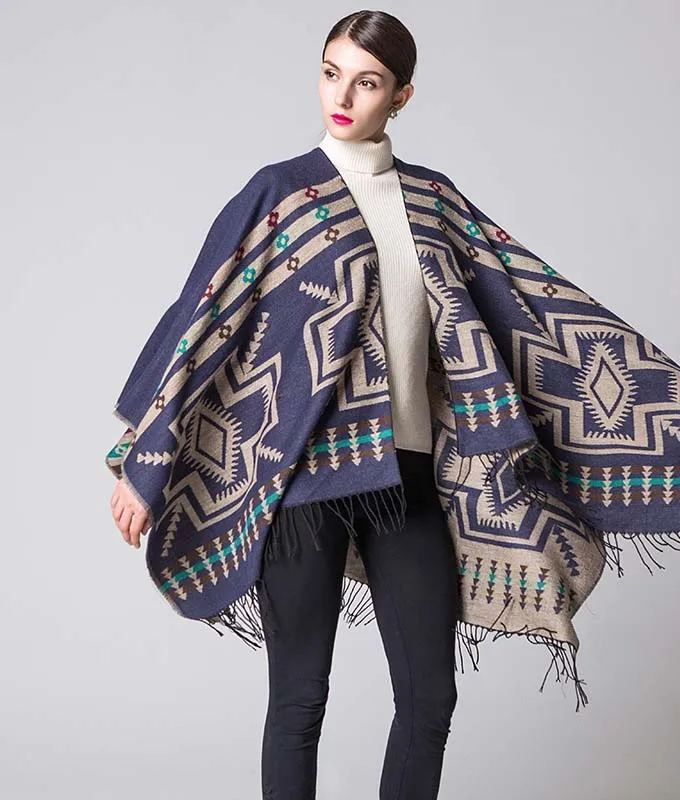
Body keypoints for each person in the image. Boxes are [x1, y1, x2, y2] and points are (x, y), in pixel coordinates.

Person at [111, 10, 459, 800]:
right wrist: (145, 463)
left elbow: (503, 311)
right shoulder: (282, 193)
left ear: (401, 96)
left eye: (367, 82)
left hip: (405, 473)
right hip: (301, 479)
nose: (343, 96)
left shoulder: (432, 203)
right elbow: (202, 321)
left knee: (430, 700)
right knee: (300, 700)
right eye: (332, 73)